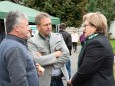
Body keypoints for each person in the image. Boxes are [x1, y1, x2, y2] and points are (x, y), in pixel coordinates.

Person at [69, 12, 115, 86]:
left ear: (94, 27)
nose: (83, 29)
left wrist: (72, 81)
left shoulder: (97, 43)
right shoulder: (98, 40)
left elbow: (85, 71)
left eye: (85, 25)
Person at [27, 12, 70, 86]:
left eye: (50, 24)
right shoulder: (32, 41)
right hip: (44, 82)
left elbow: (66, 56)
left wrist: (44, 59)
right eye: (45, 25)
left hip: (60, 80)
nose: (49, 27)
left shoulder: (58, 37)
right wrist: (55, 55)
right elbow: (36, 61)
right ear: (38, 27)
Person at [0, 11, 39, 86]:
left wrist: (33, 68)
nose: (29, 28)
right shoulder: (15, 48)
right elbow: (19, 82)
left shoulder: (7, 42)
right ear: (17, 28)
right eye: (27, 25)